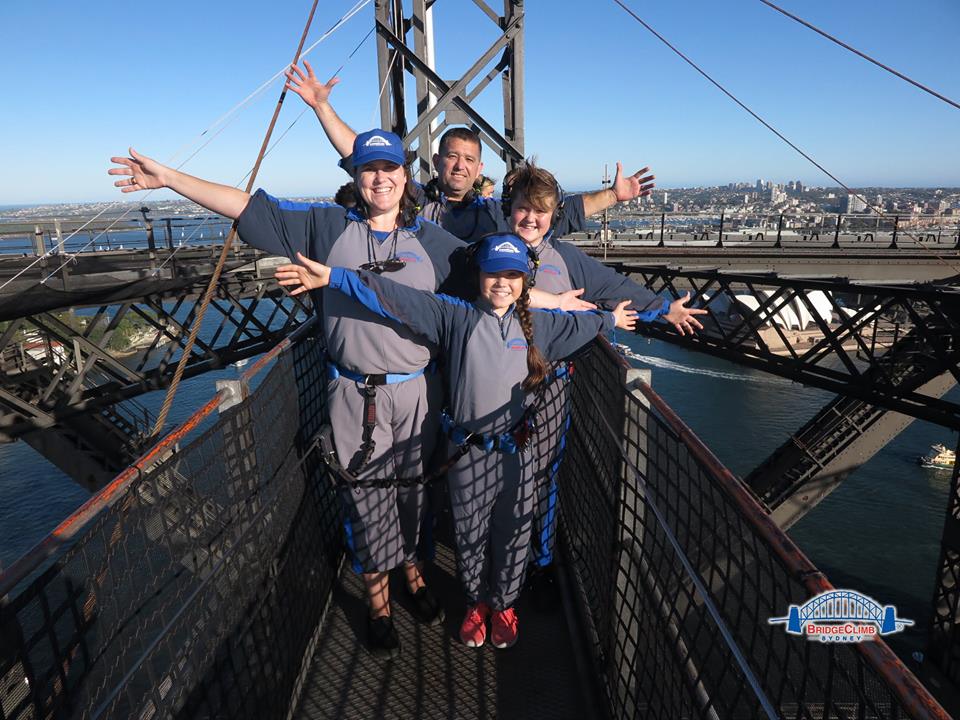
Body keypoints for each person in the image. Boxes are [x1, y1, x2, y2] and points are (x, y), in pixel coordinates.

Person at [109, 129, 470, 660]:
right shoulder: (325, 227)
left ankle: (414, 578)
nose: (380, 178)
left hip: (417, 390)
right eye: (369, 169)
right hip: (354, 394)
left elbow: (499, 279)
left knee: (414, 494)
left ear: (405, 177)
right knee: (366, 501)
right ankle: (379, 608)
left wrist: (583, 309)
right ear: (355, 176)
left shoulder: (432, 243)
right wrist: (170, 179)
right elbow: (250, 207)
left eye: (389, 169)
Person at [274, 232, 640, 649]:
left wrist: (618, 319)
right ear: (478, 276)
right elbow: (398, 298)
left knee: (515, 531)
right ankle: (475, 604)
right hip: (468, 451)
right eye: (492, 273)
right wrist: (338, 279)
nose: (502, 283)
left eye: (513, 275)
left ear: (525, 281)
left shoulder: (542, 325)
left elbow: (586, 323)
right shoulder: (456, 316)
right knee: (469, 532)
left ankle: (503, 604)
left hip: (519, 451)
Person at [501, 160, 708, 597]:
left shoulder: (565, 257)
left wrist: (662, 308)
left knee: (542, 478)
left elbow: (611, 285)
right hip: (496, 386)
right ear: (509, 209)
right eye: (523, 208)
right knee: (497, 476)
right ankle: (499, 574)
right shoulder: (490, 253)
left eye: (541, 210)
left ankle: (537, 566)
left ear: (553, 215)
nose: (532, 218)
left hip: (550, 386)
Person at [284, 61, 656, 242]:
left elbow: (559, 214)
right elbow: (367, 156)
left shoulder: (501, 213)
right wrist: (322, 108)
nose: (459, 166)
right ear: (437, 161)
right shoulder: (410, 203)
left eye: (469, 160)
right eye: (452, 156)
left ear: (479, 169)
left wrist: (613, 195)